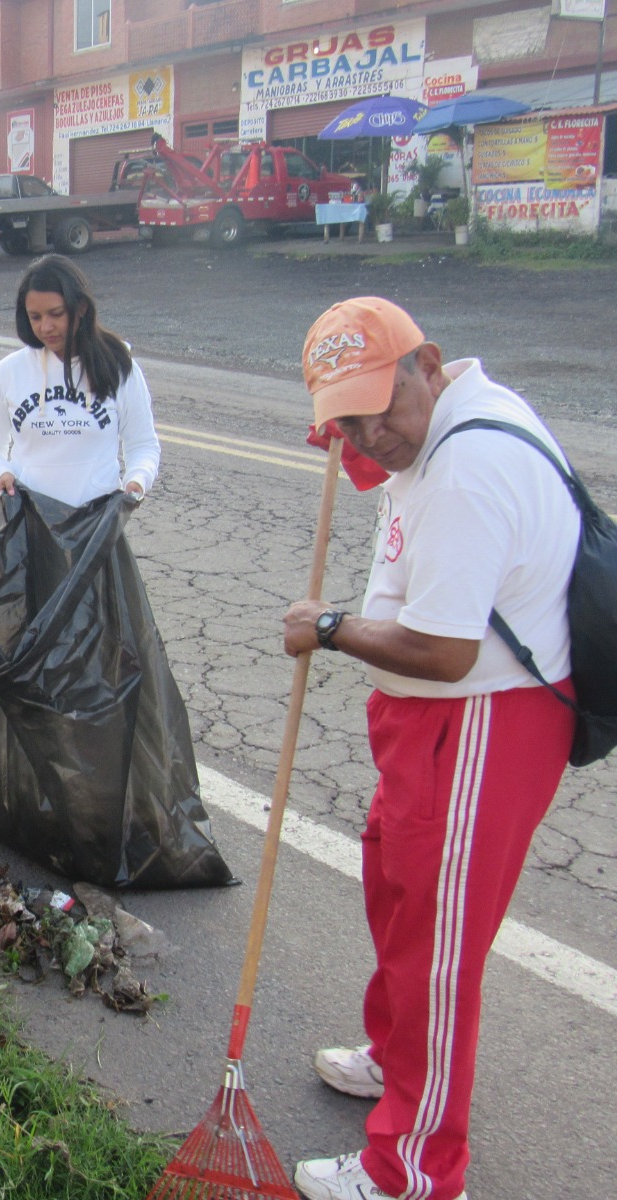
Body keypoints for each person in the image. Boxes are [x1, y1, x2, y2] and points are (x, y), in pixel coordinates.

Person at [283, 297, 579, 1200]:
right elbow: (395, 469)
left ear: (430, 364)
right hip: (435, 722)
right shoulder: (440, 424)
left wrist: (328, 625)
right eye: (349, 416)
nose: (374, 432)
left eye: (382, 406)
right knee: (399, 897)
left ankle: (412, 1169)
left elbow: (444, 652)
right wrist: (356, 442)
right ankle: (394, 1057)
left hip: (482, 718)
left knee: (436, 953)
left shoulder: (469, 466)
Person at [0, 253, 159, 509]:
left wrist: (137, 480)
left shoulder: (118, 368)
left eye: (56, 314)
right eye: (35, 317)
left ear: (80, 308)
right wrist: (0, 472)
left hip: (96, 525)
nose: (45, 327)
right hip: (30, 523)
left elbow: (143, 443)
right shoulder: (9, 372)